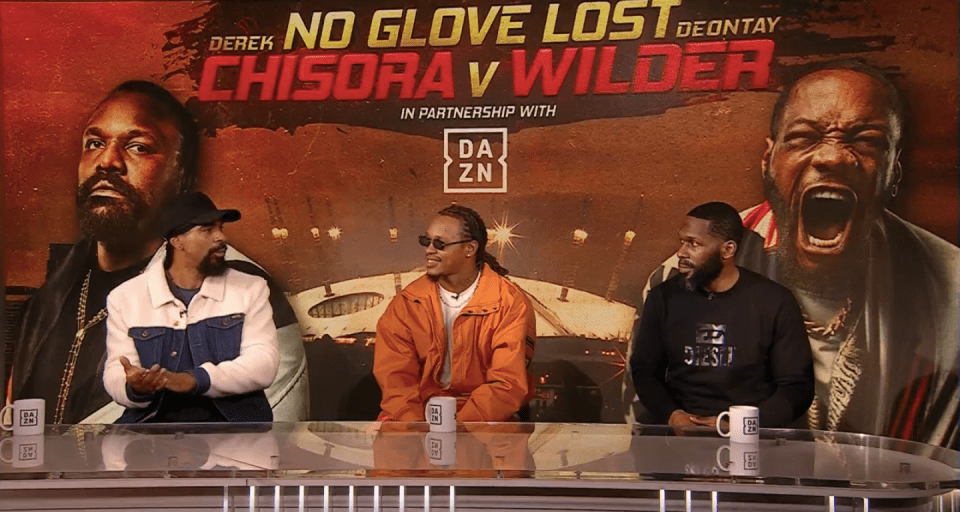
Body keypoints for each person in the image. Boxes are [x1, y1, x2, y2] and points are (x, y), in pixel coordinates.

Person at [627, 61, 959, 448]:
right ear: (768, 160)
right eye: (804, 137)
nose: (832, 158)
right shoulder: (676, 280)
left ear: (893, 170)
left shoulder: (951, 290)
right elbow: (646, 400)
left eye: (865, 140)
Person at [10, 80, 308, 424]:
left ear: (180, 176)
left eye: (137, 147)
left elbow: (270, 439)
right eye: (94, 143)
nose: (107, 161)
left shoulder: (247, 288)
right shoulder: (49, 300)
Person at [630, 202, 814, 429]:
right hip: (677, 438)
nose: (681, 253)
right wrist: (673, 416)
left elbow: (797, 387)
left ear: (728, 250)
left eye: (694, 244)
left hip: (750, 439)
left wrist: (738, 425)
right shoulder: (663, 297)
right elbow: (644, 371)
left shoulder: (776, 302)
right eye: (682, 241)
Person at [103, 192, 278, 422]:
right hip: (154, 430)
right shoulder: (125, 298)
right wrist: (136, 387)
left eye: (220, 227)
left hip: (235, 429)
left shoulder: (250, 288)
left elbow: (264, 364)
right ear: (177, 241)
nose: (220, 237)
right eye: (207, 229)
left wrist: (194, 379)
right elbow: (116, 372)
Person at [373, 205, 536, 422]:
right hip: (419, 415)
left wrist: (458, 429)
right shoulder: (407, 302)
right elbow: (395, 379)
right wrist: (415, 429)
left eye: (440, 244)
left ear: (470, 249)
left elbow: (507, 384)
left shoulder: (510, 302)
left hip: (485, 421)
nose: (429, 250)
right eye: (426, 241)